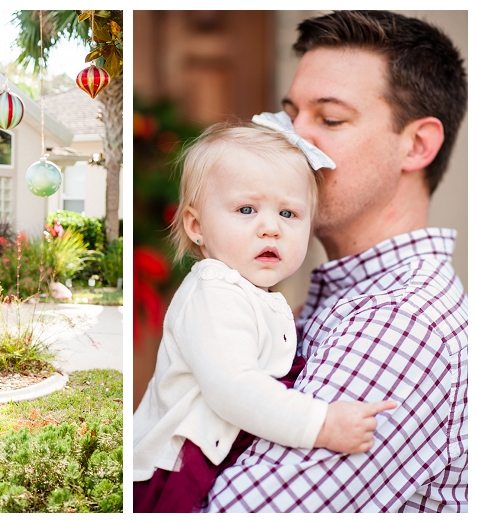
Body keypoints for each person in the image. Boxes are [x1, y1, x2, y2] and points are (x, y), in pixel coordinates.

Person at [205, 10, 467, 512]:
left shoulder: (402, 321)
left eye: (329, 119)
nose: (292, 140)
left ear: (417, 144)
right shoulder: (338, 297)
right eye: (291, 114)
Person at [133, 120, 397, 513]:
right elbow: (234, 387)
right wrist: (321, 423)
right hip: (175, 470)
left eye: (289, 214)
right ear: (196, 225)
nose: (270, 228)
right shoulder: (215, 292)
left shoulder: (250, 292)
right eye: (246, 209)